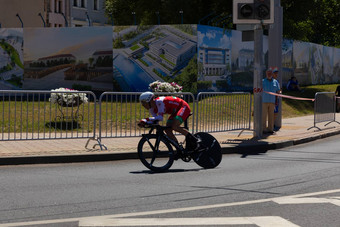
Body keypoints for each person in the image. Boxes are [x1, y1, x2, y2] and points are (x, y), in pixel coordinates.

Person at [262, 67, 281, 134]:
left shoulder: (275, 82)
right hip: (264, 101)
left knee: (271, 116)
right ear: (266, 74)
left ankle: (270, 129)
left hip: (272, 101)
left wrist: (279, 93)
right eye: (268, 73)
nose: (269, 74)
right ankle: (263, 129)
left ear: (272, 74)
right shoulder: (263, 81)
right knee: (264, 116)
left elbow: (278, 90)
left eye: (270, 73)